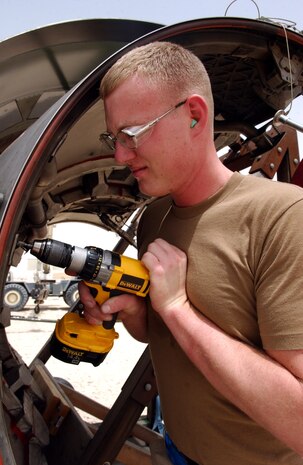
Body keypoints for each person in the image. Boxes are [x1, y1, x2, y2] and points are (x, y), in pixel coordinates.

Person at [79, 41, 303, 465]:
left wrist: (178, 307)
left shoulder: (283, 217)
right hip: (179, 449)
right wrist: (135, 313)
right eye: (114, 137)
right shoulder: (154, 217)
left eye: (131, 134)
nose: (120, 156)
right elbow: (162, 338)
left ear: (194, 115)